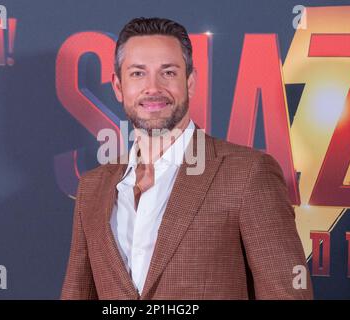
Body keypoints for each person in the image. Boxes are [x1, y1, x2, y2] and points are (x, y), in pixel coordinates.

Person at [61, 17, 313, 300]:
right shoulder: (92, 188)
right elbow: (76, 293)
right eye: (137, 74)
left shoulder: (247, 173)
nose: (153, 88)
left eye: (168, 73)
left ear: (190, 82)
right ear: (118, 87)